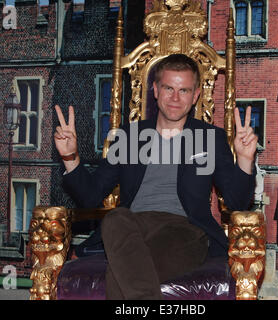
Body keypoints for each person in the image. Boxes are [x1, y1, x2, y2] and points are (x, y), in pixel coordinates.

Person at [54, 54, 258, 299]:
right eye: (168, 88)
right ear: (155, 90)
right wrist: (70, 157)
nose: (175, 98)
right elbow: (89, 196)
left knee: (123, 272)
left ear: (195, 96)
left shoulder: (210, 138)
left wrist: (245, 159)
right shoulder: (128, 137)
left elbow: (237, 202)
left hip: (185, 231)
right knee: (116, 218)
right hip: (130, 227)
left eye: (184, 90)